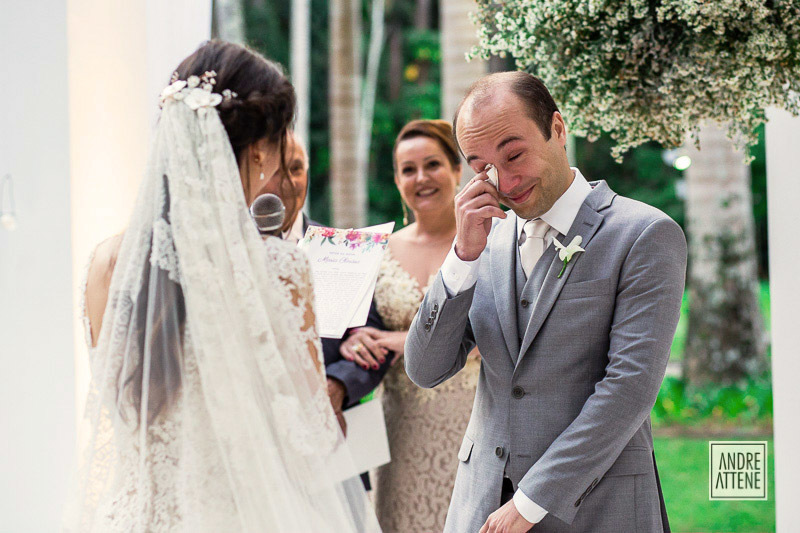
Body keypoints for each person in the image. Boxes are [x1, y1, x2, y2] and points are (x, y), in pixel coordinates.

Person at [67, 40, 380, 532]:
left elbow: (118, 404)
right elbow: (308, 437)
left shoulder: (106, 263)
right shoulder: (278, 267)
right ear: (259, 149)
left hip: (134, 515)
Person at [405, 71, 686, 533]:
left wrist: (532, 501)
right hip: (481, 505)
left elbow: (630, 386)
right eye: (481, 167)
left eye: (514, 154)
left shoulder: (645, 234)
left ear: (557, 128)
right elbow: (425, 368)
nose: (504, 180)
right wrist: (461, 258)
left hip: (600, 507)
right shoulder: (482, 240)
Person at [338, 119, 480, 532]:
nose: (421, 178)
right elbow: (350, 332)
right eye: (408, 169)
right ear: (397, 180)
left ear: (457, 169)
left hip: (476, 426)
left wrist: (402, 340)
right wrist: (354, 345)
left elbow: (511, 331)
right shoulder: (375, 251)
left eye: (432, 164)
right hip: (399, 434)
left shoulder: (498, 238)